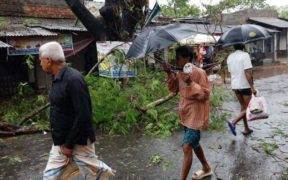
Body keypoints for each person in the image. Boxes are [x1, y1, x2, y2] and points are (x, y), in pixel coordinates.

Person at [39, 42, 115, 179]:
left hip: (79, 142)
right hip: (60, 143)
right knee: (49, 177)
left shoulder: (74, 79)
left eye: (40, 60)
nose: (40, 63)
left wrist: (69, 144)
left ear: (49, 60)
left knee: (91, 175)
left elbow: (83, 115)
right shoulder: (57, 79)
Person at [163, 46, 212, 180]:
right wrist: (168, 73)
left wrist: (190, 82)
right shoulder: (180, 73)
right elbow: (174, 90)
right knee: (194, 143)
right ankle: (206, 168)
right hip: (185, 114)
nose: (176, 61)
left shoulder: (199, 73)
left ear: (187, 58)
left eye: (178, 58)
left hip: (196, 115)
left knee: (187, 147)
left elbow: (204, 96)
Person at [226, 44, 256, 136]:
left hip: (235, 86)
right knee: (248, 108)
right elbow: (248, 72)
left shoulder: (230, 57)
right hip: (244, 85)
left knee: (243, 107)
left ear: (234, 47)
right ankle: (233, 122)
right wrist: (252, 87)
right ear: (243, 46)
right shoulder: (245, 55)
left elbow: (230, 73)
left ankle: (246, 128)